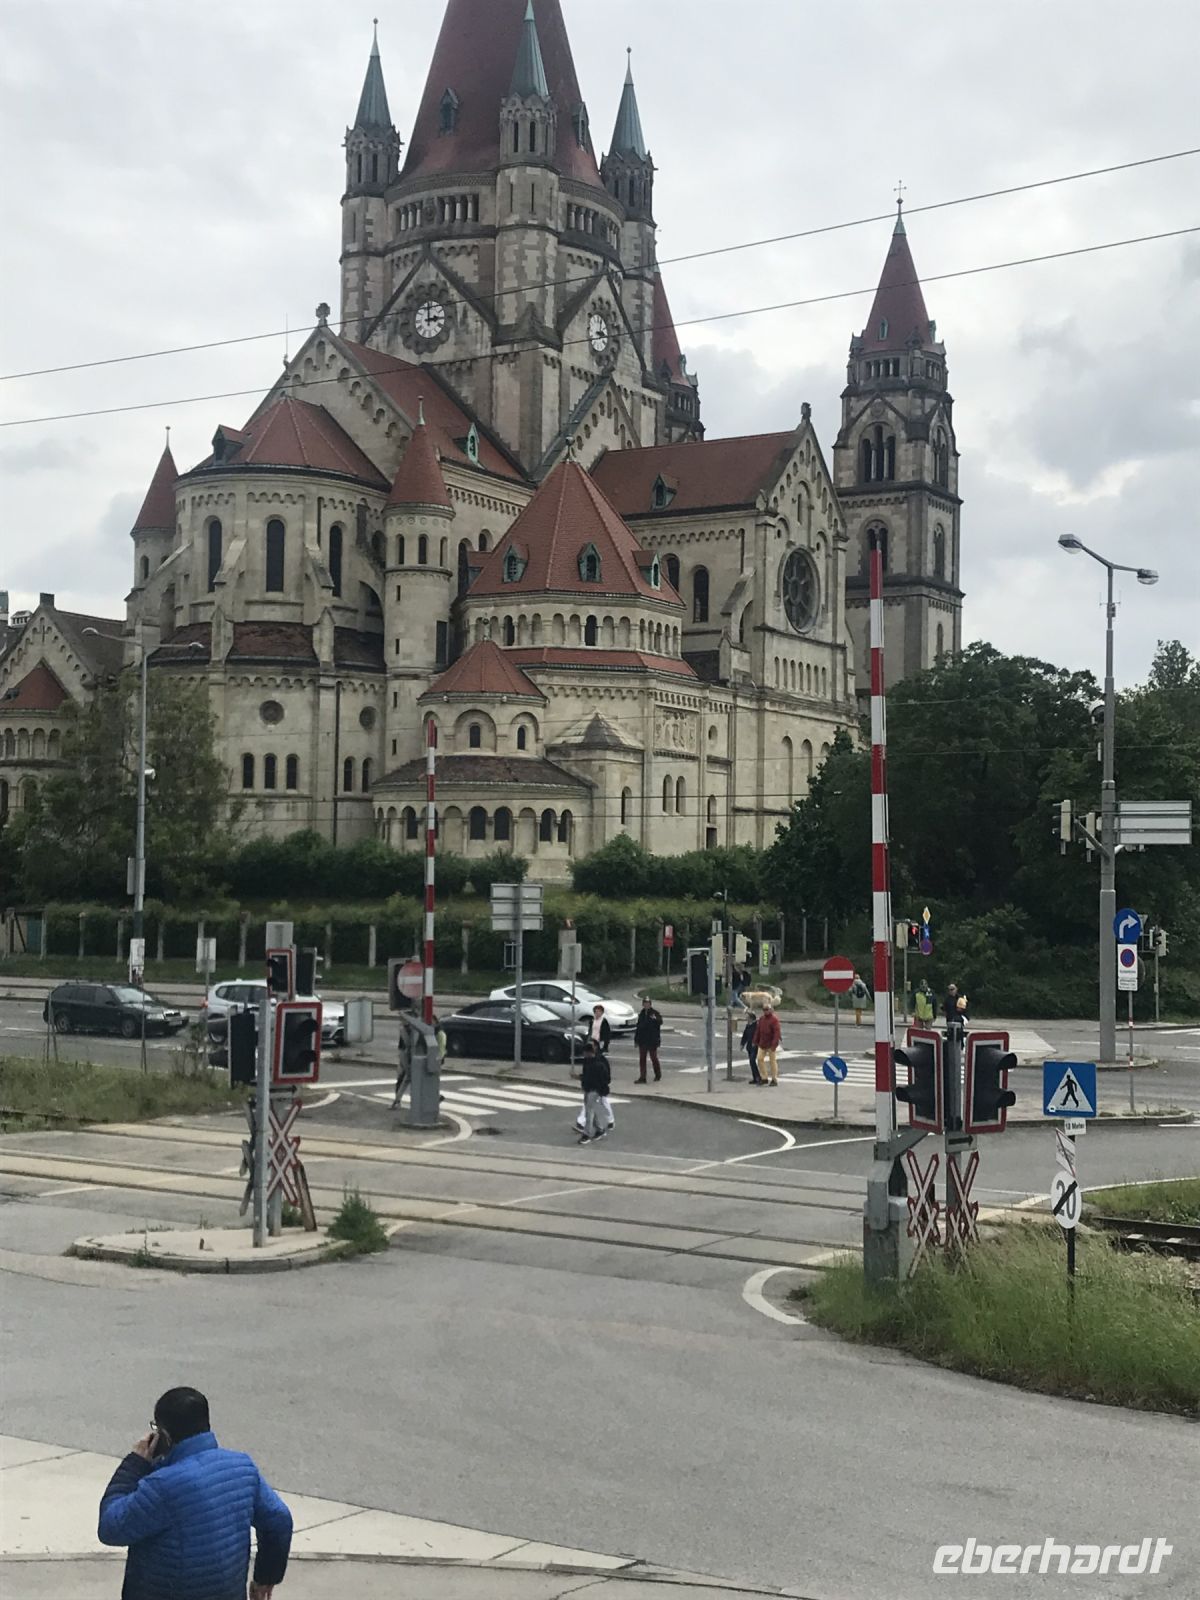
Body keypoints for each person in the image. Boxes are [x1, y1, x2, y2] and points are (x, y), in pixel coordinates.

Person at [98, 1386, 292, 1600]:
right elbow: (279, 1520)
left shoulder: (162, 1485)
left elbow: (110, 1528)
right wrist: (265, 1577)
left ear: (165, 1436)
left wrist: (134, 1464)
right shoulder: (243, 1467)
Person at [578, 1040, 611, 1143]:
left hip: (594, 1089)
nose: (583, 1054)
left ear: (588, 1052)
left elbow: (604, 1078)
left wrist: (601, 1089)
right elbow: (587, 1076)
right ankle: (599, 1129)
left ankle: (587, 1134)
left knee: (589, 1111)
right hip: (589, 1088)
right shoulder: (588, 1062)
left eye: (585, 1052)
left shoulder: (598, 1064)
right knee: (590, 1110)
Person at [633, 996, 663, 1083]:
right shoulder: (642, 1014)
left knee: (654, 1058)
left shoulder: (654, 1013)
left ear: (650, 1004)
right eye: (645, 1003)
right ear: (643, 1004)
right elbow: (638, 1028)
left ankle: (658, 1074)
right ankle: (643, 1077)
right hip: (643, 1040)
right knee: (642, 1059)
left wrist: (655, 1019)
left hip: (652, 1040)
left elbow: (660, 1022)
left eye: (648, 1003)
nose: (646, 1005)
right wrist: (636, 1040)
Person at [754, 1002, 781, 1086]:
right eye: (764, 1009)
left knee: (772, 1061)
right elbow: (758, 1030)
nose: (765, 1011)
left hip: (771, 1044)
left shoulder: (774, 1020)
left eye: (767, 1009)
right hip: (762, 1043)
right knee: (759, 1059)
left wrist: (774, 1044)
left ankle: (774, 1079)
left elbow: (776, 1033)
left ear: (771, 1010)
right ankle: (764, 1077)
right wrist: (755, 1040)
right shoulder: (761, 1019)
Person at [741, 1011, 762, 1084]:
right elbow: (745, 1035)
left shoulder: (756, 1025)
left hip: (755, 1045)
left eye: (747, 1016)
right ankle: (755, 1078)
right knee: (751, 1062)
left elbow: (758, 1035)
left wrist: (757, 1043)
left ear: (751, 1018)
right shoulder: (748, 1025)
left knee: (752, 1061)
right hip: (749, 1046)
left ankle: (758, 1077)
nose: (746, 1018)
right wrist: (742, 1044)